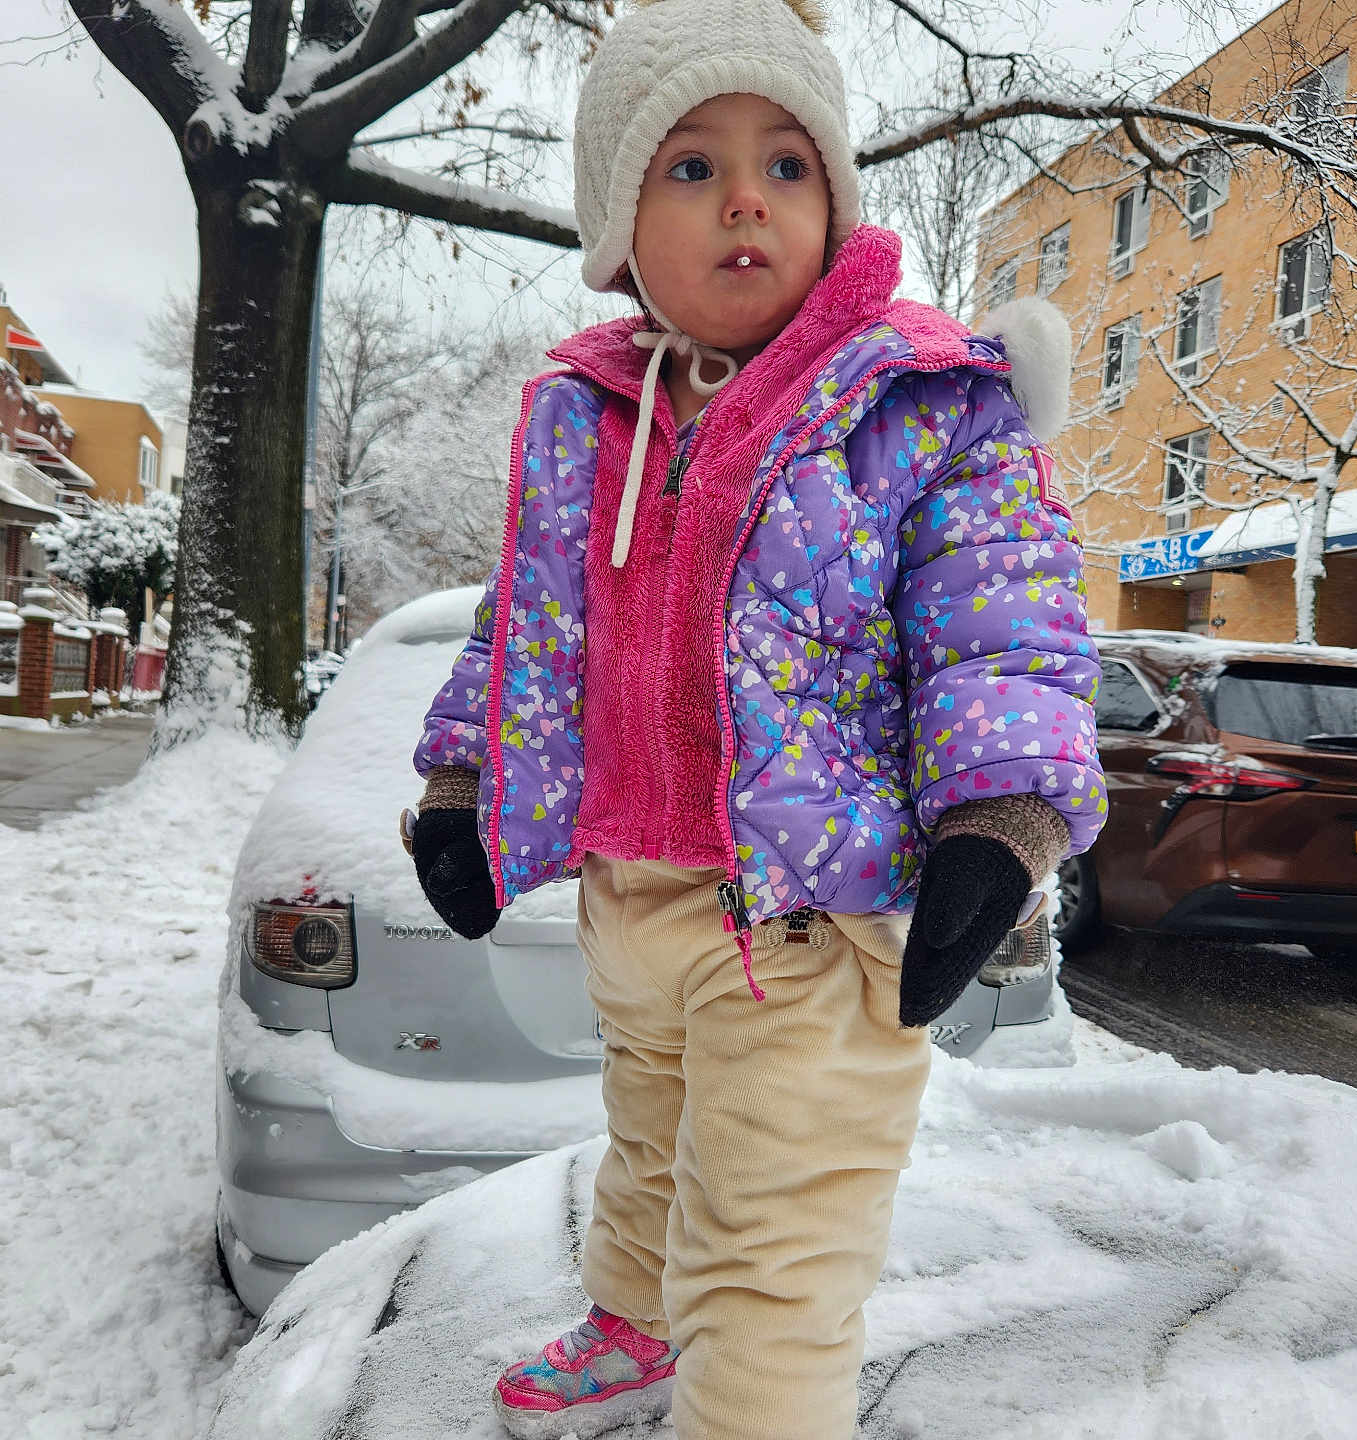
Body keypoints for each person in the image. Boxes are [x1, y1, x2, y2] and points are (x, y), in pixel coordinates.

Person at [405, 1, 1106, 1434]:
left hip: (811, 924)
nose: (745, 199)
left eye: (788, 165)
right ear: (619, 226)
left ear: (835, 199)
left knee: (773, 1253)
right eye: (690, 167)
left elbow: (1005, 627)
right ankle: (631, 1324)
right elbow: (528, 627)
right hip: (636, 892)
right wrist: (460, 780)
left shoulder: (919, 405)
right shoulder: (585, 415)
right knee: (648, 1150)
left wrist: (1002, 817)